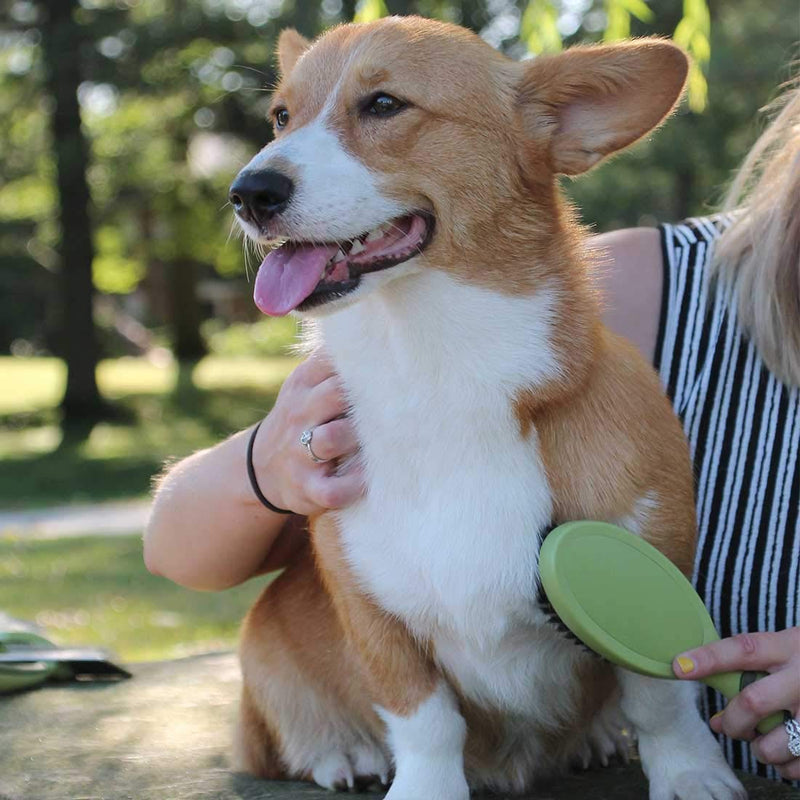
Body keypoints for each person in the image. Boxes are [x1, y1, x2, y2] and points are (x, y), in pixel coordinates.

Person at [144, 85, 800, 782]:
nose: (279, 152)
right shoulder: (624, 287)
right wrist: (263, 465)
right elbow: (179, 550)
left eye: (381, 107)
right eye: (284, 117)